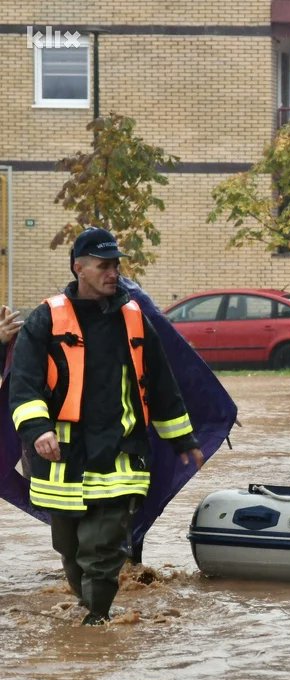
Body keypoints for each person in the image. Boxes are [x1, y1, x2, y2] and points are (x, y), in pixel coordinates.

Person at [7, 227, 205, 625]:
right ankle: (87, 606)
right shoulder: (46, 318)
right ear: (79, 267)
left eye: (116, 264)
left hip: (120, 456)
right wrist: (37, 429)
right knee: (69, 545)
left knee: (102, 547)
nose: (113, 272)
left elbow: (163, 384)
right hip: (61, 458)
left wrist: (182, 439)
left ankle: (96, 620)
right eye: (103, 265)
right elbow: (24, 383)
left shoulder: (134, 318)